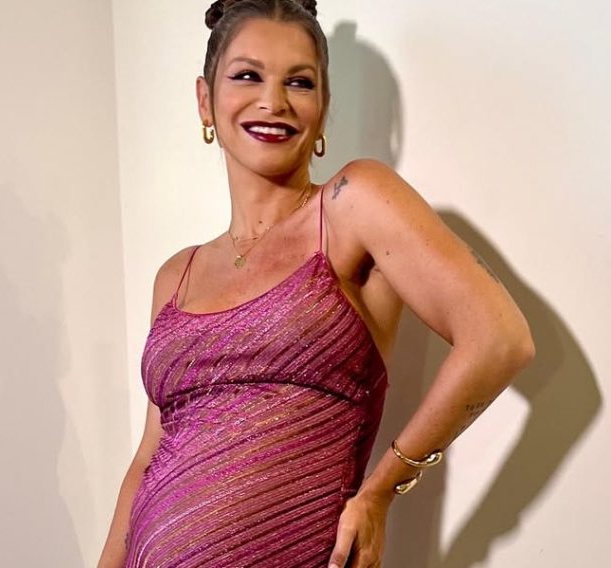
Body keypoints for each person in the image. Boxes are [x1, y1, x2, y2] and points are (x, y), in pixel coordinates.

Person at [98, 1, 535, 566]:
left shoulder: (352, 206)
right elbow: (147, 460)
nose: (273, 101)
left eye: (299, 82)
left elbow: (499, 339)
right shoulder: (176, 275)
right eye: (247, 75)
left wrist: (381, 490)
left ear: (323, 108)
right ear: (205, 100)